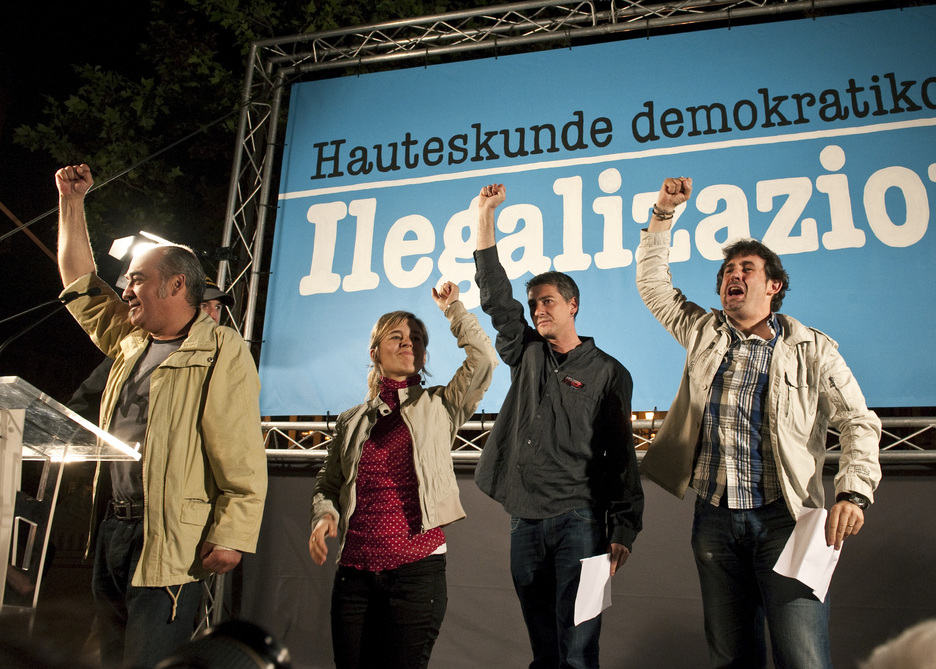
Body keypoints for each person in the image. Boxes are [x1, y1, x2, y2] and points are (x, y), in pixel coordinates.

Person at [636, 176, 882, 668]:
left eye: (746, 267)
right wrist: (663, 213)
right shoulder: (702, 331)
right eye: (728, 269)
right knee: (731, 658)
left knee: (803, 657)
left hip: (787, 521)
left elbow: (858, 421)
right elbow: (653, 284)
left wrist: (854, 491)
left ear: (774, 285)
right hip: (715, 520)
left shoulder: (813, 349)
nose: (733, 274)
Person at [55, 163, 268, 669]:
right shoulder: (130, 342)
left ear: (176, 285)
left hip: (171, 539)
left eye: (137, 280)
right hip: (111, 530)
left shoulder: (222, 349)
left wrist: (234, 532)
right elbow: (80, 284)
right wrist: (71, 203)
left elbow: (238, 446)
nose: (125, 289)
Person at [472, 184, 644, 668]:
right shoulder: (526, 354)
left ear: (573, 305)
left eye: (547, 301)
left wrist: (624, 526)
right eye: (533, 304)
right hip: (524, 521)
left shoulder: (609, 373)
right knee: (544, 651)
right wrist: (485, 216)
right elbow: (495, 297)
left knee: (579, 648)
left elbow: (620, 456)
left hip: (581, 524)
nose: (538, 309)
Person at [308, 281, 497, 669]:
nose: (409, 342)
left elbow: (484, 360)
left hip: (416, 571)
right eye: (397, 337)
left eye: (416, 339)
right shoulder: (351, 421)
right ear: (375, 352)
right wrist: (325, 515)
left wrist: (454, 310)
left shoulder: (439, 405)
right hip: (354, 574)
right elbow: (329, 484)